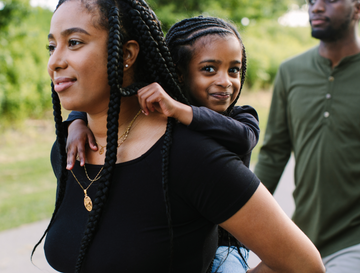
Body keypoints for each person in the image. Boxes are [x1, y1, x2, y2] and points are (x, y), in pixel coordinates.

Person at [32, 0, 325, 272]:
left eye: (74, 43)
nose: (54, 62)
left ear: (127, 54)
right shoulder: (68, 149)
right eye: (51, 46)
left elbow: (304, 265)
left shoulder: (190, 156)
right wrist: (76, 120)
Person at [64, 16, 259, 273]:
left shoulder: (241, 116)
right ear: (178, 74)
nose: (225, 81)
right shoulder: (160, 115)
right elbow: (112, 100)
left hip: (224, 248)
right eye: (209, 69)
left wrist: (181, 110)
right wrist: (76, 121)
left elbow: (243, 138)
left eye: (234, 70)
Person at [254, 0, 360, 271]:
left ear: (357, 8)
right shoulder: (291, 71)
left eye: (330, 0)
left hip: (353, 239)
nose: (316, 7)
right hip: (302, 235)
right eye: (312, 1)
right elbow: (274, 152)